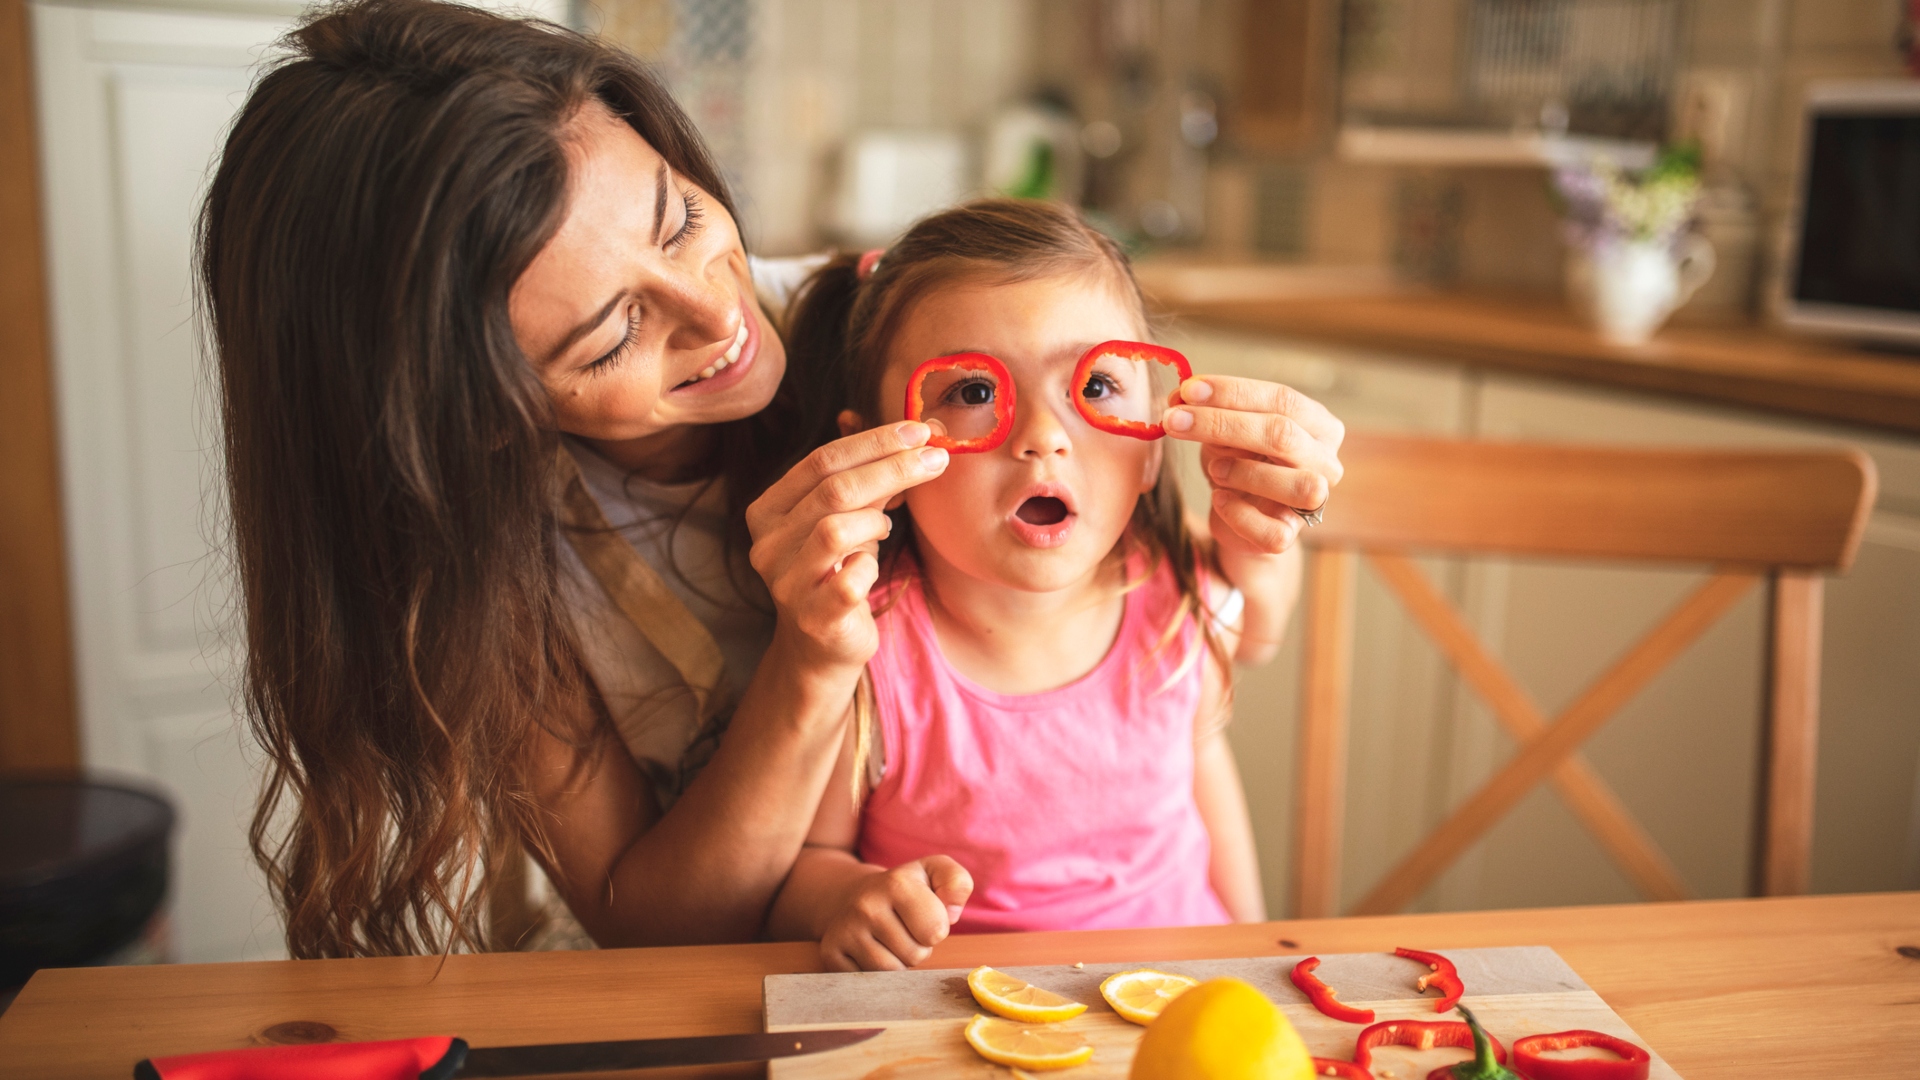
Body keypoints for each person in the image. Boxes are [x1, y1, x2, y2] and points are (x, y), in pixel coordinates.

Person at [202, 0, 1342, 958]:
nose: (723, 319)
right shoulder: (495, 580)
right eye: (612, 338)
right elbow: (653, 928)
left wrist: (1273, 519)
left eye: (686, 218)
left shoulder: (887, 330)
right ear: (482, 419)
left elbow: (1214, 651)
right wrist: (809, 668)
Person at [765, 201, 1345, 971]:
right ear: (877, 458)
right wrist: (844, 898)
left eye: (1097, 386)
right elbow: (805, 862)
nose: (1043, 433)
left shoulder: (1175, 596)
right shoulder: (866, 649)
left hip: (1179, 1010)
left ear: (1150, 452)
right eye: (971, 392)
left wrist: (1254, 958)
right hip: (974, 1027)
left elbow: (1262, 629)